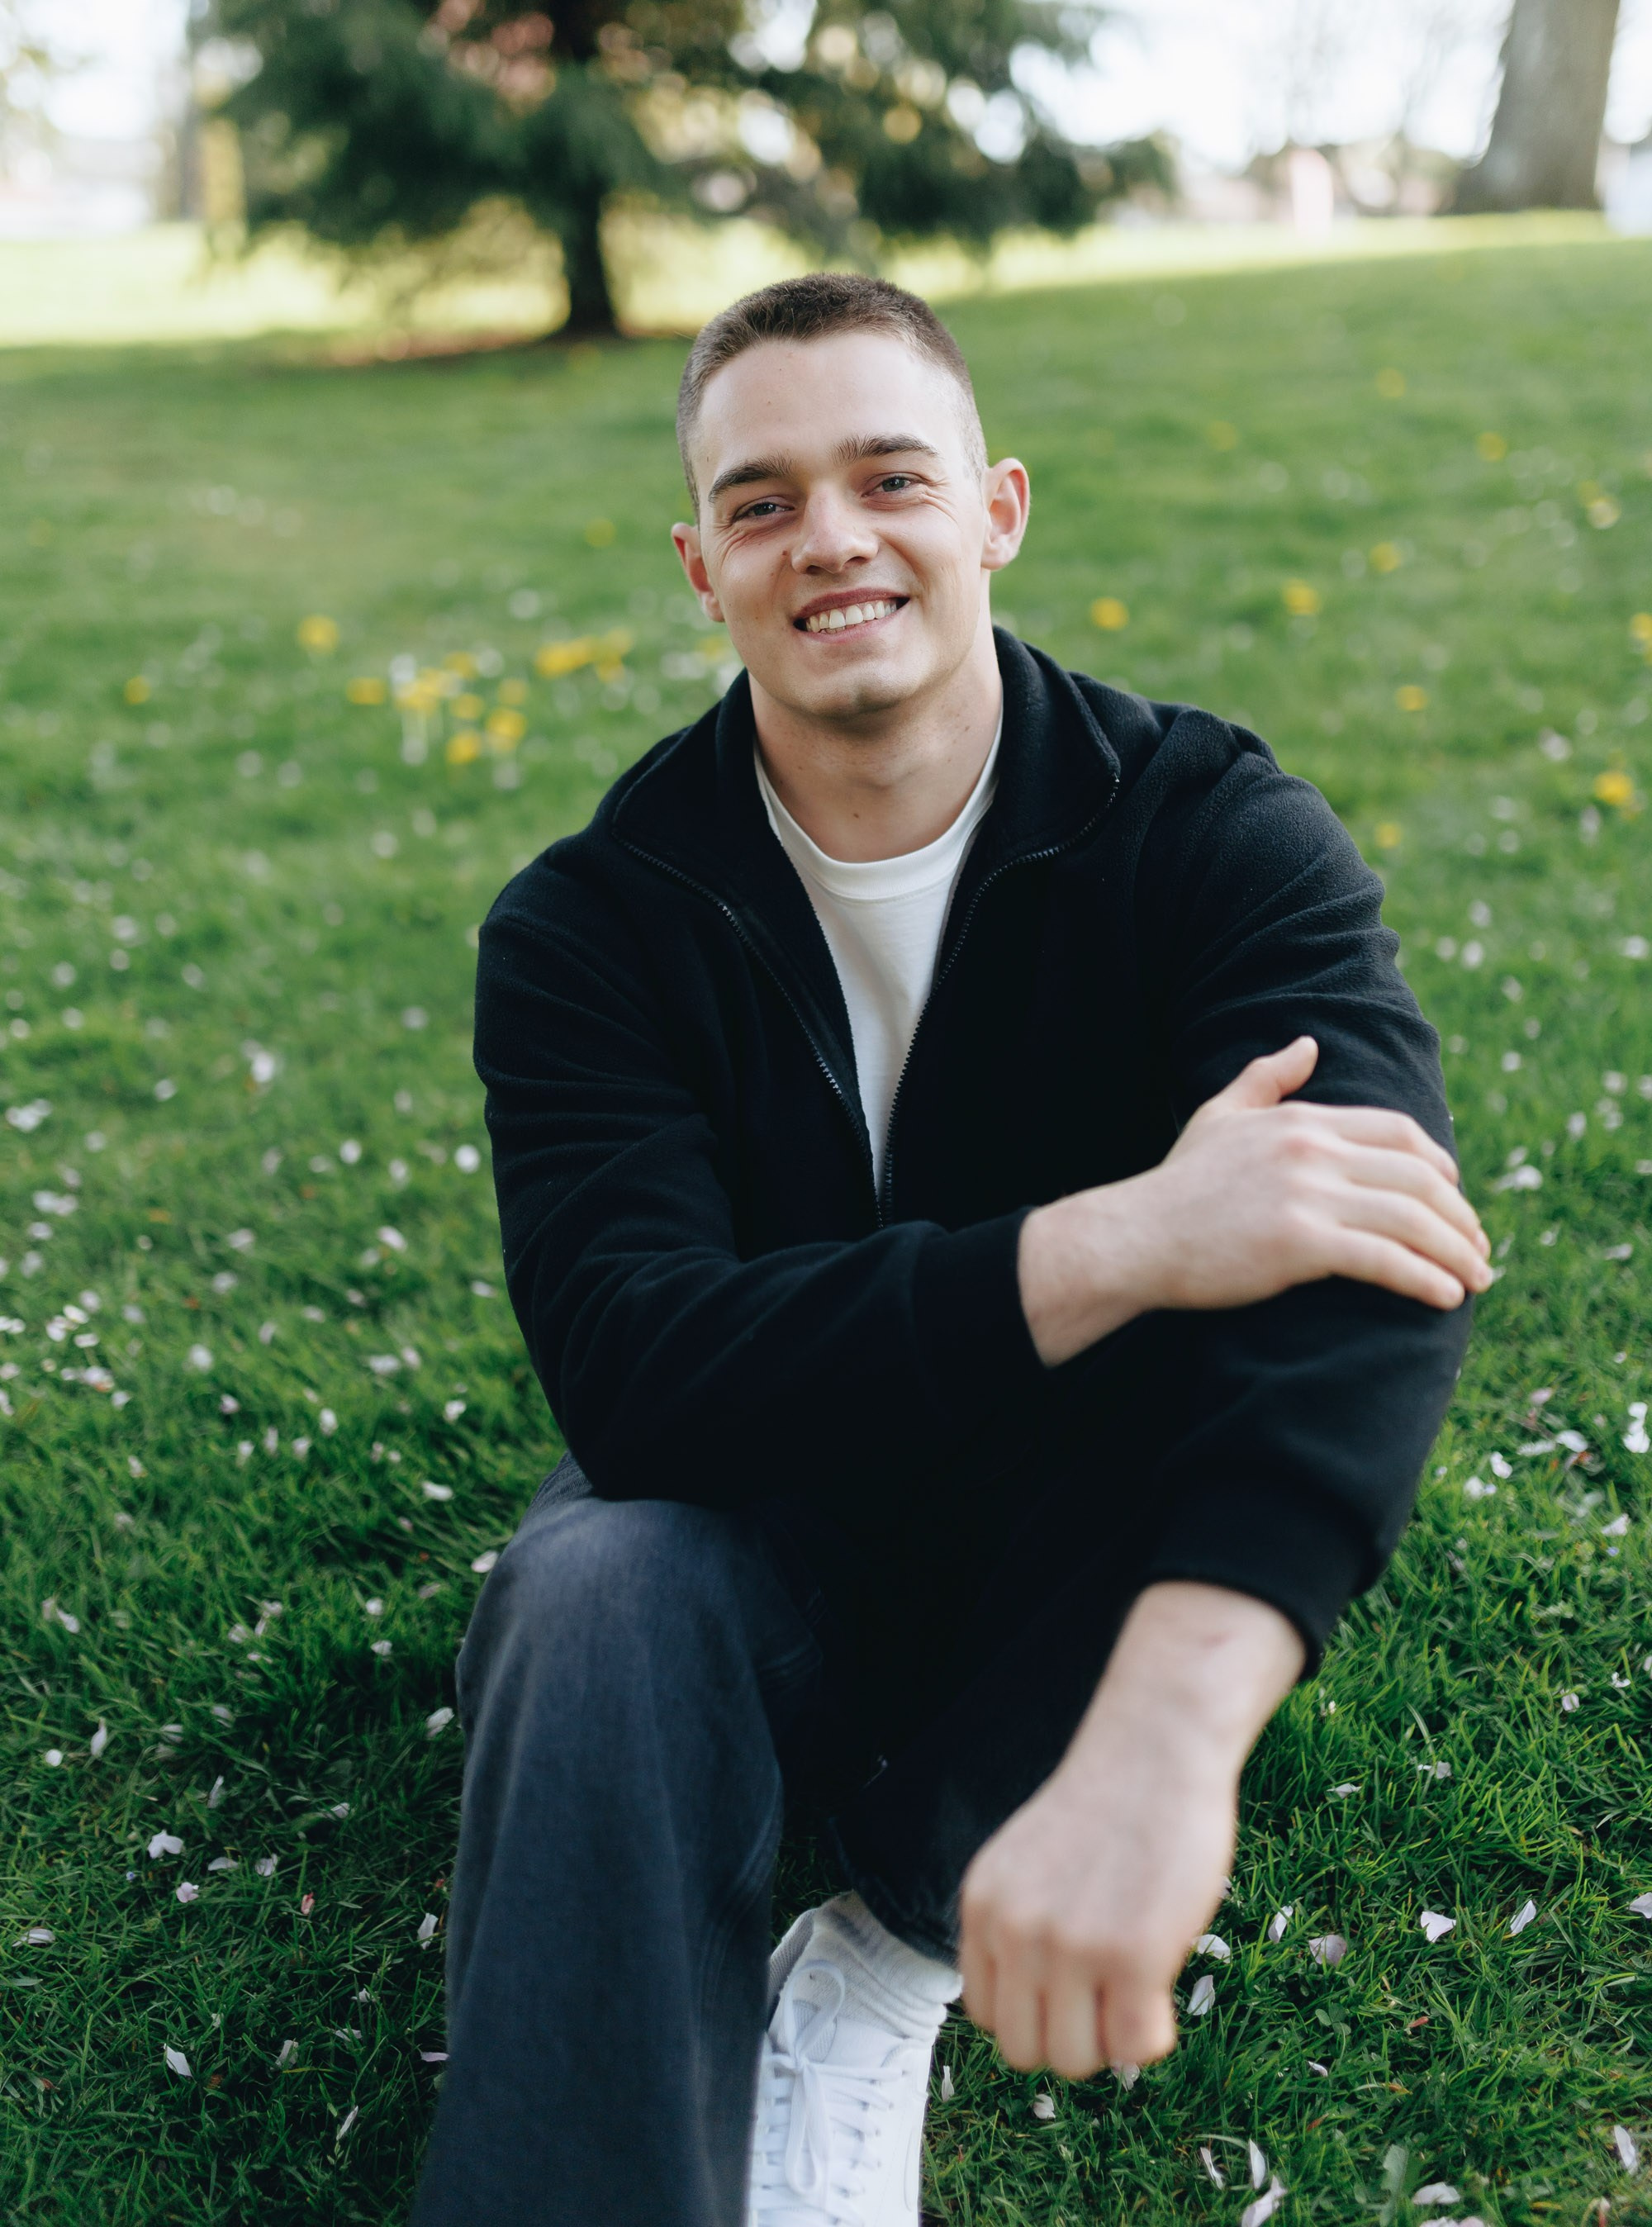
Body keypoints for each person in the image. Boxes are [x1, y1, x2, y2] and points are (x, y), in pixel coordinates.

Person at [410, 273, 1488, 2227]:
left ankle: (882, 1953)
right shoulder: (589, 924)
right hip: (760, 1543)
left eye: (885, 477)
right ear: (699, 565)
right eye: (761, 502)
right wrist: (1124, 1236)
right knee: (588, 1585)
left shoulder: (1208, 831)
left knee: (1201, 1399)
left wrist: (1173, 1737)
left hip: (1077, 1542)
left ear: (992, 509)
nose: (830, 537)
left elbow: (1377, 1250)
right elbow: (639, 1372)